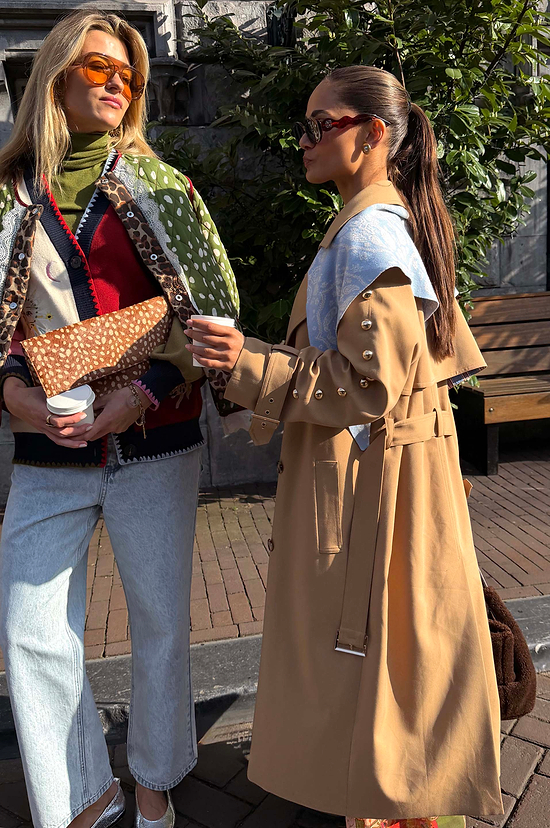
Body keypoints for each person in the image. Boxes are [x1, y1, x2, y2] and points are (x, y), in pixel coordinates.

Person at [185, 66, 503, 828]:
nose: (304, 141)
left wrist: (245, 364)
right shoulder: (382, 223)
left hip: (370, 490)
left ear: (374, 134)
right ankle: (397, 800)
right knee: (400, 660)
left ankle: (396, 806)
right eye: (304, 125)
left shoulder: (368, 234)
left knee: (377, 660)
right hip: (386, 482)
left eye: (319, 124)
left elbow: (371, 385)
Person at [0, 9, 238, 828]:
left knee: (162, 621)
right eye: (97, 68)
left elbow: (215, 314)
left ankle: (152, 780)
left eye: (128, 76)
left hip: (153, 435)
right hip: (47, 443)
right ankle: (83, 793)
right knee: (30, 630)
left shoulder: (164, 185)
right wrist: (13, 395)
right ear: (57, 76)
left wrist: (140, 394)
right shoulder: (7, 194)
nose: (115, 84)